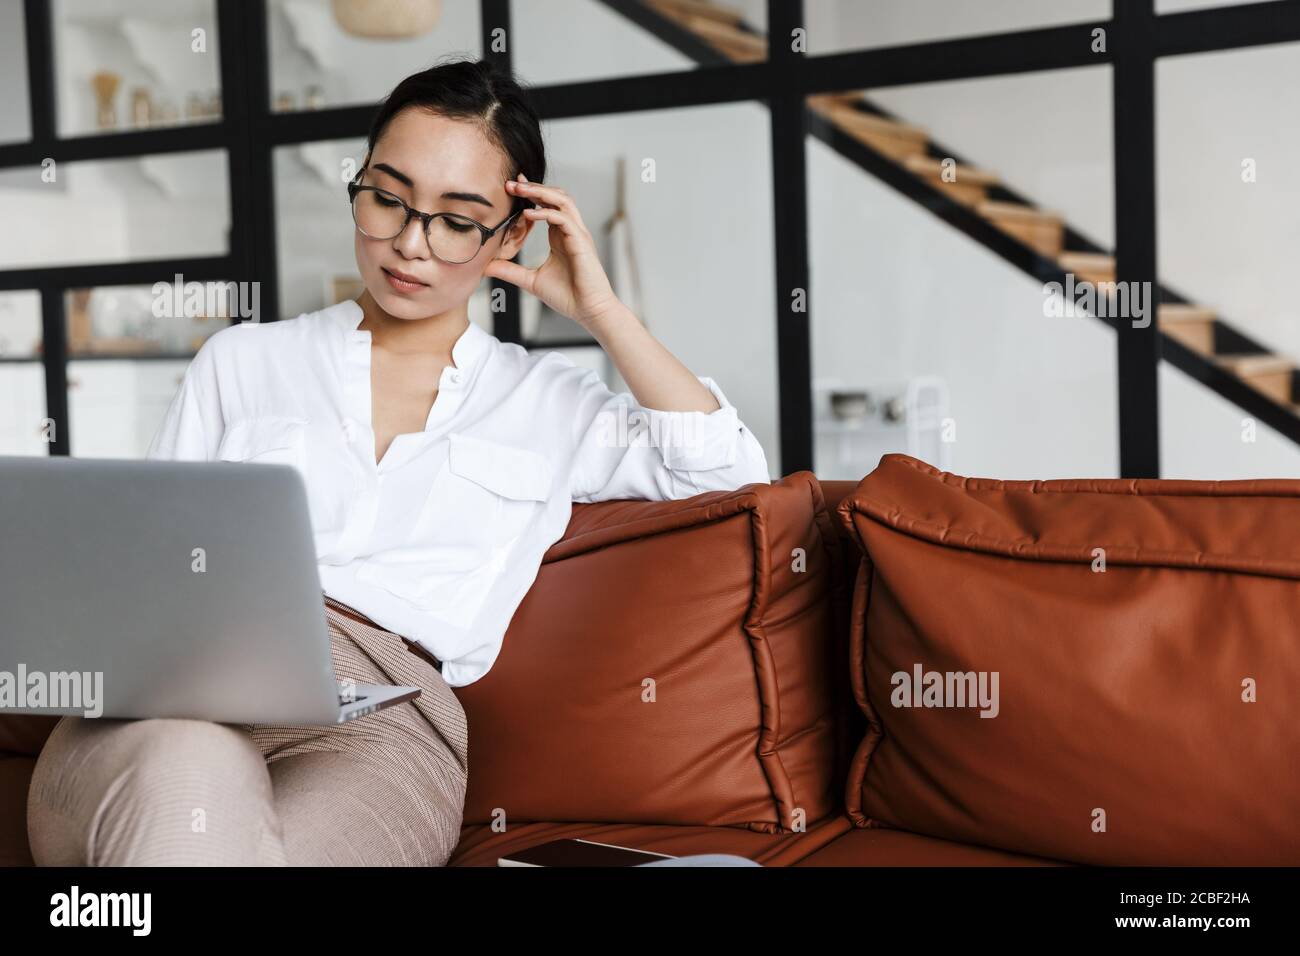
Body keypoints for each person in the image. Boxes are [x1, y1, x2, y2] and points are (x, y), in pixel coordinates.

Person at [26, 56, 770, 867]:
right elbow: (151, 572)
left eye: (458, 220)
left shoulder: (551, 402)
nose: (410, 245)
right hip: (180, 701)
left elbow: (729, 473)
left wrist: (601, 310)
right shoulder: (242, 360)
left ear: (513, 232)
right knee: (187, 781)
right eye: (388, 198)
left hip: (384, 727)